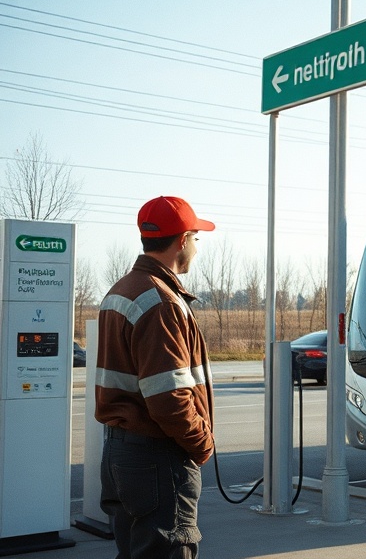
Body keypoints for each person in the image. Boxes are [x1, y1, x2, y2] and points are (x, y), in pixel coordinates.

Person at [95, 196, 216, 559]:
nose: (196, 247)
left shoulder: (121, 290)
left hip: (122, 453)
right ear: (183, 240)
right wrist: (202, 443)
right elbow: (168, 399)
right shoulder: (160, 302)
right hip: (157, 458)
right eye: (196, 238)